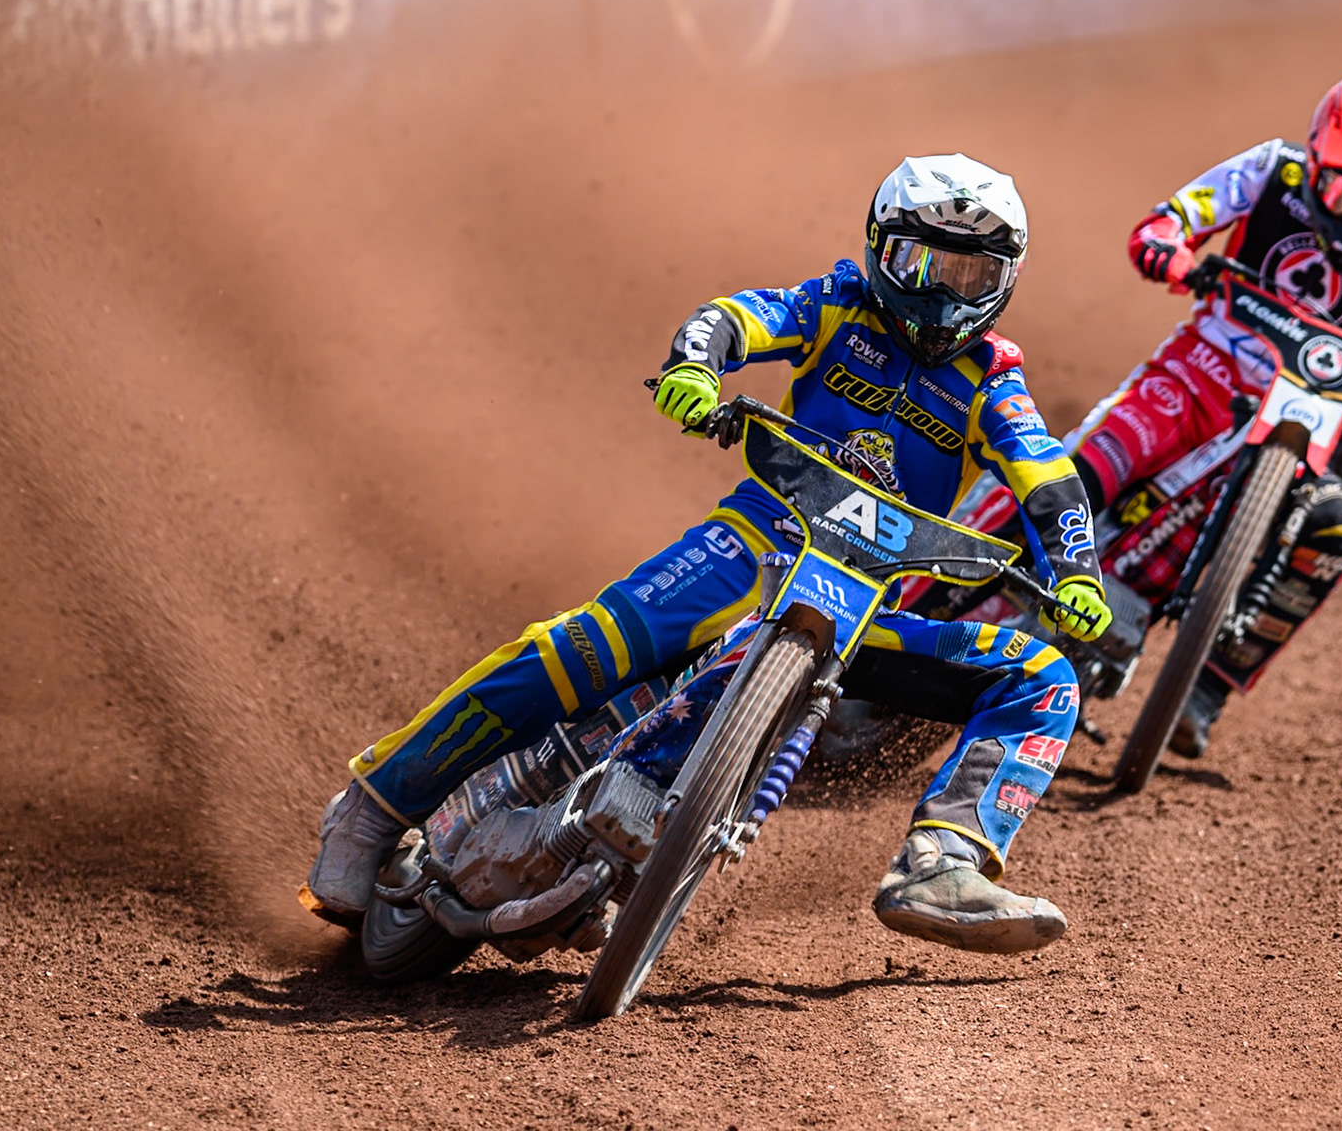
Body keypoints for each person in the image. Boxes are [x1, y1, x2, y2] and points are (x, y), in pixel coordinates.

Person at [302, 154, 1115, 954]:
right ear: (879, 248)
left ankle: (945, 864)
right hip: (753, 545)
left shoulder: (991, 384)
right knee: (579, 648)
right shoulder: (838, 306)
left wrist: (1074, 569)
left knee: (1044, 678)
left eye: (969, 275)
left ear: (1005, 280)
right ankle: (374, 806)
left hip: (864, 611)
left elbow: (1047, 477)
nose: (941, 294)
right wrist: (694, 366)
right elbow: (735, 318)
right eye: (921, 264)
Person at [963, 66, 1342, 760]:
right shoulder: (1272, 171)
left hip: (1302, 431)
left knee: (1338, 528)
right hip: (1195, 375)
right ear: (1315, 159)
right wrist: (1168, 253)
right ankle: (909, 602)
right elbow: (1172, 220)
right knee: (1071, 480)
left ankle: (1202, 691)